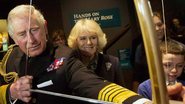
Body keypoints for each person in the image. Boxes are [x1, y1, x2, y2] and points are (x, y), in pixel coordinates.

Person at [0, 4, 151, 104]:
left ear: (45, 27)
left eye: (34, 30)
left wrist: (138, 102)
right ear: (13, 37)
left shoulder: (65, 56)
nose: (31, 40)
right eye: (22, 34)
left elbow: (93, 84)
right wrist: (11, 92)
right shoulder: (8, 58)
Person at [67, 19, 125, 86]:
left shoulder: (113, 62)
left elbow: (122, 94)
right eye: (83, 38)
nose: (89, 43)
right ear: (76, 41)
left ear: (99, 39)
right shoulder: (69, 66)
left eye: (93, 38)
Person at [133, 12, 168, 92]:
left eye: (159, 25)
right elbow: (137, 76)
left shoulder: (176, 47)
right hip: (150, 90)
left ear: (164, 25)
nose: (157, 29)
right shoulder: (141, 48)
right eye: (152, 26)